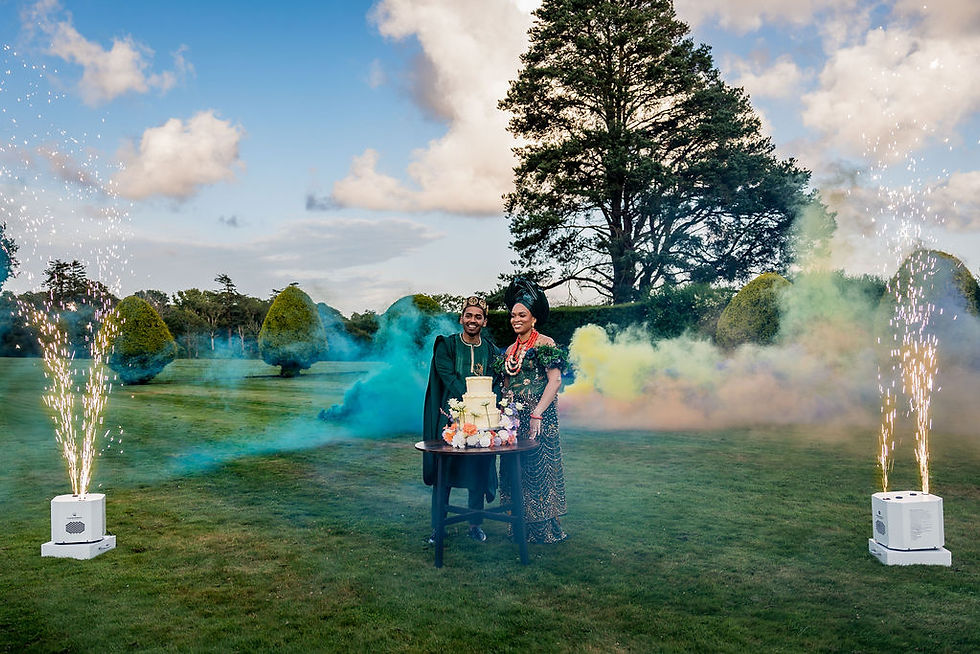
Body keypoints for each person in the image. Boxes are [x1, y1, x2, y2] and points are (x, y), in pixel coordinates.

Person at [495, 277, 568, 543]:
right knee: (514, 471)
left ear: (533, 318)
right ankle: (519, 526)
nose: (515, 319)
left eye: (521, 315)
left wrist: (536, 412)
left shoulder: (545, 343)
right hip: (513, 420)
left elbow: (555, 380)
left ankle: (544, 531)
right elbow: (505, 384)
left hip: (540, 417)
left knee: (539, 470)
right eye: (513, 315)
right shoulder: (510, 350)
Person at [421, 296, 499, 543]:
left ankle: (475, 524)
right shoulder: (447, 345)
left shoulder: (491, 350)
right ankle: (438, 526)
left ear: (484, 321)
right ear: (460, 318)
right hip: (450, 419)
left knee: (478, 471)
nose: (472, 320)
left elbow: (495, 379)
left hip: (482, 423)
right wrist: (469, 399)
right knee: (445, 473)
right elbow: (446, 375)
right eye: (468, 316)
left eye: (478, 316)